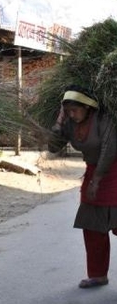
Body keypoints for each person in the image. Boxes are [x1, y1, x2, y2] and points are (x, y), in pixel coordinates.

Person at [49, 84, 117, 289]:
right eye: (67, 110)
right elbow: (53, 147)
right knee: (92, 226)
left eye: (75, 109)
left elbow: (109, 148)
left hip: (113, 171)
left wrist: (97, 180)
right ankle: (97, 274)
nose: (72, 113)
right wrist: (59, 123)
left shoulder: (104, 119)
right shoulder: (69, 123)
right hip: (93, 171)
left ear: (88, 107)